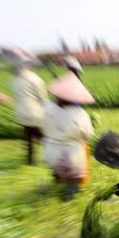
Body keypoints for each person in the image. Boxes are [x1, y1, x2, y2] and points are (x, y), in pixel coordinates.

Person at [42, 72, 94, 200]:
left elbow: (43, 127)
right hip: (70, 155)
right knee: (73, 174)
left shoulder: (48, 109)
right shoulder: (80, 114)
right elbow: (88, 134)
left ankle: (58, 179)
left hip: (51, 152)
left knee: (57, 167)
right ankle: (70, 193)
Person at [10, 62, 47, 165]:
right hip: (35, 111)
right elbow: (42, 96)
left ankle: (30, 159)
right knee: (43, 136)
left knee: (29, 136)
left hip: (21, 112)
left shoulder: (15, 80)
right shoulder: (36, 79)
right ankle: (48, 157)